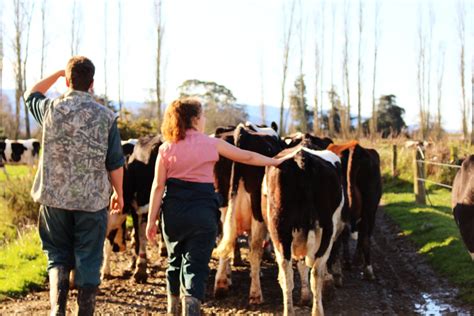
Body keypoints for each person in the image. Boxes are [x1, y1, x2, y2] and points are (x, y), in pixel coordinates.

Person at [146, 98, 289, 315]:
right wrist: (274, 161)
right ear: (194, 119)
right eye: (202, 116)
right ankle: (191, 308)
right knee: (196, 265)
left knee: (174, 261)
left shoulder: (166, 148)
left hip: (173, 213)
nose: (204, 120)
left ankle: (172, 307)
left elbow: (158, 187)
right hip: (203, 213)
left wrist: (151, 221)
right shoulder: (212, 144)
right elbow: (248, 157)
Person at [25, 56, 125, 316]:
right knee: (89, 258)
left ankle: (57, 311)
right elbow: (115, 162)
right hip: (92, 202)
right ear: (92, 84)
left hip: (53, 199)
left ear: (69, 80)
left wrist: (59, 74)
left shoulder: (50, 109)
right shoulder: (106, 117)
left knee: (57, 256)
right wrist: (119, 193)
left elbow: (31, 93)